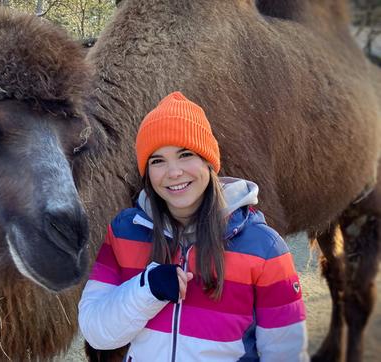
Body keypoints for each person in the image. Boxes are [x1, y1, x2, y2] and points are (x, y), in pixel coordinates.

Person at [78, 91, 308, 361]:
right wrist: (147, 289)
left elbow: (286, 353)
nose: (173, 172)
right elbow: (95, 331)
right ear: (147, 173)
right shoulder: (124, 233)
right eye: (157, 160)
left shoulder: (264, 248)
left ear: (208, 161)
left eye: (185, 154)